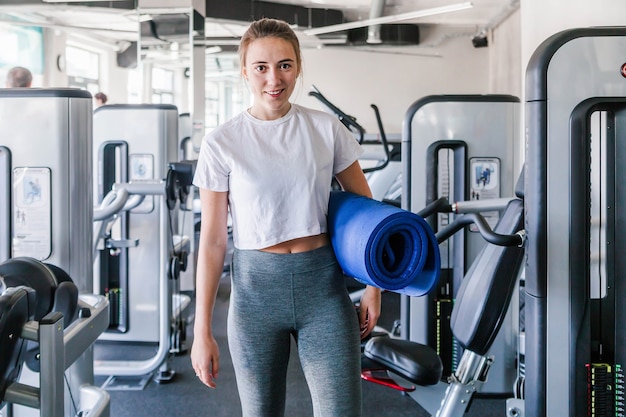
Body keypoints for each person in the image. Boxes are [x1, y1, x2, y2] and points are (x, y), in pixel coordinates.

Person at [190, 17, 381, 417]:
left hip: (324, 292)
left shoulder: (325, 129)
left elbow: (369, 216)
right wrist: (201, 329)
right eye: (261, 67)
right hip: (255, 296)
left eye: (285, 65)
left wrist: (373, 287)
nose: (273, 79)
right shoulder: (222, 142)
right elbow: (211, 241)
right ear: (244, 71)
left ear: (297, 67)